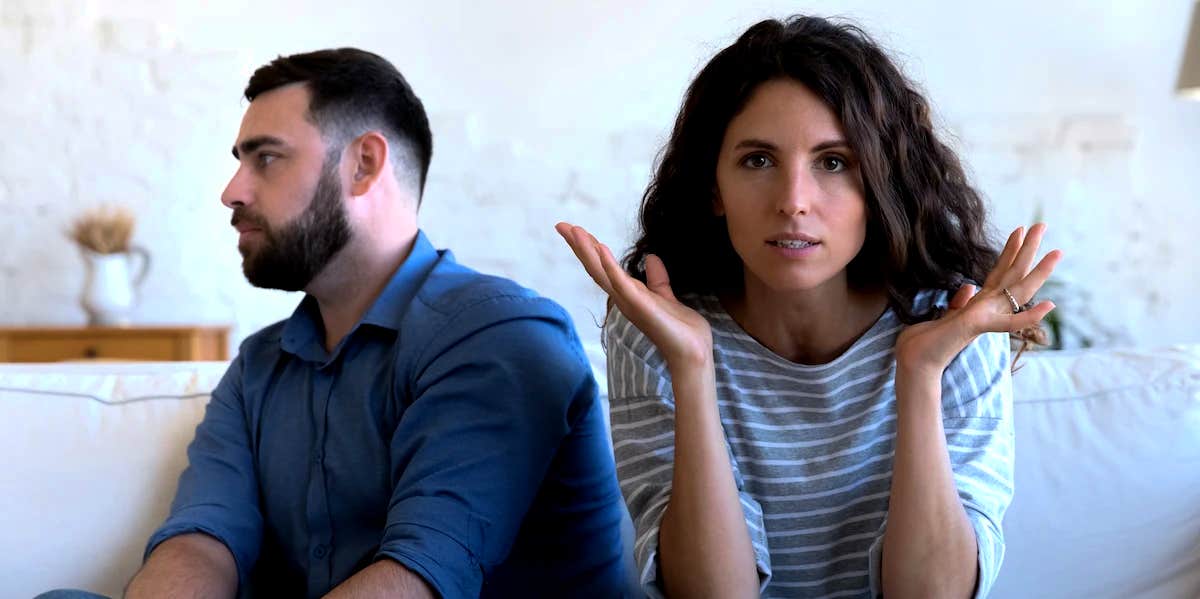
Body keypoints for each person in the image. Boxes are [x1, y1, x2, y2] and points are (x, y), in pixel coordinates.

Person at [556, 15, 1060, 599]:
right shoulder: (659, 329)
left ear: (880, 183)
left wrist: (919, 374)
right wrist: (693, 368)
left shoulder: (954, 320)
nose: (794, 202)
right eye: (758, 161)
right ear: (714, 188)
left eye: (834, 162)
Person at [119, 48, 626, 598]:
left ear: (363, 164)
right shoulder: (259, 368)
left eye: (265, 158)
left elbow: (420, 577)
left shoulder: (501, 337)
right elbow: (202, 539)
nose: (232, 191)